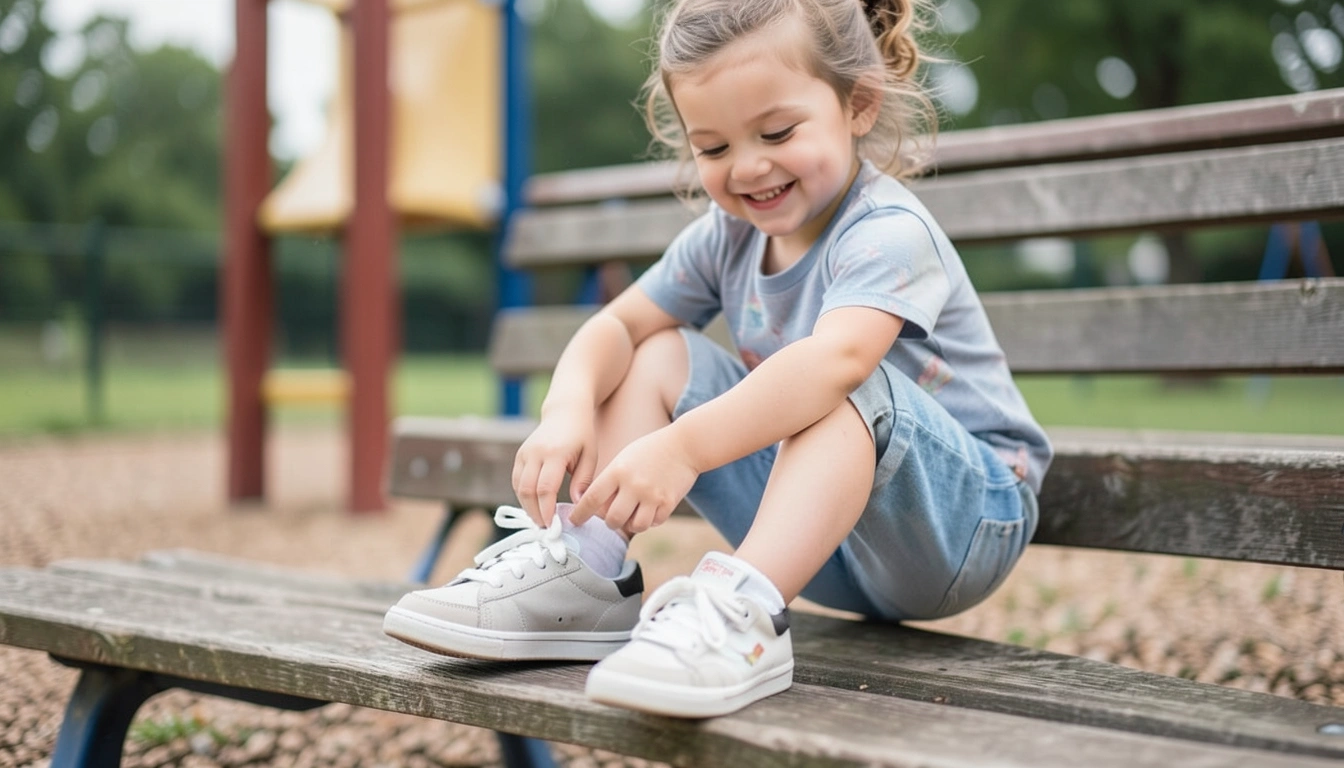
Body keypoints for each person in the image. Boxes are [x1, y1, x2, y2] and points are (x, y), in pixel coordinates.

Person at [383, 0, 1052, 719]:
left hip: (961, 523)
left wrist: (683, 447)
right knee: (654, 349)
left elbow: (837, 365)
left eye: (777, 132)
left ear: (858, 105)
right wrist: (565, 407)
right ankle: (588, 571)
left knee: (837, 382)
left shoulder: (886, 232)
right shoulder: (727, 235)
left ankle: (744, 615)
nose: (749, 168)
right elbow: (615, 326)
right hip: (827, 543)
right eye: (714, 148)